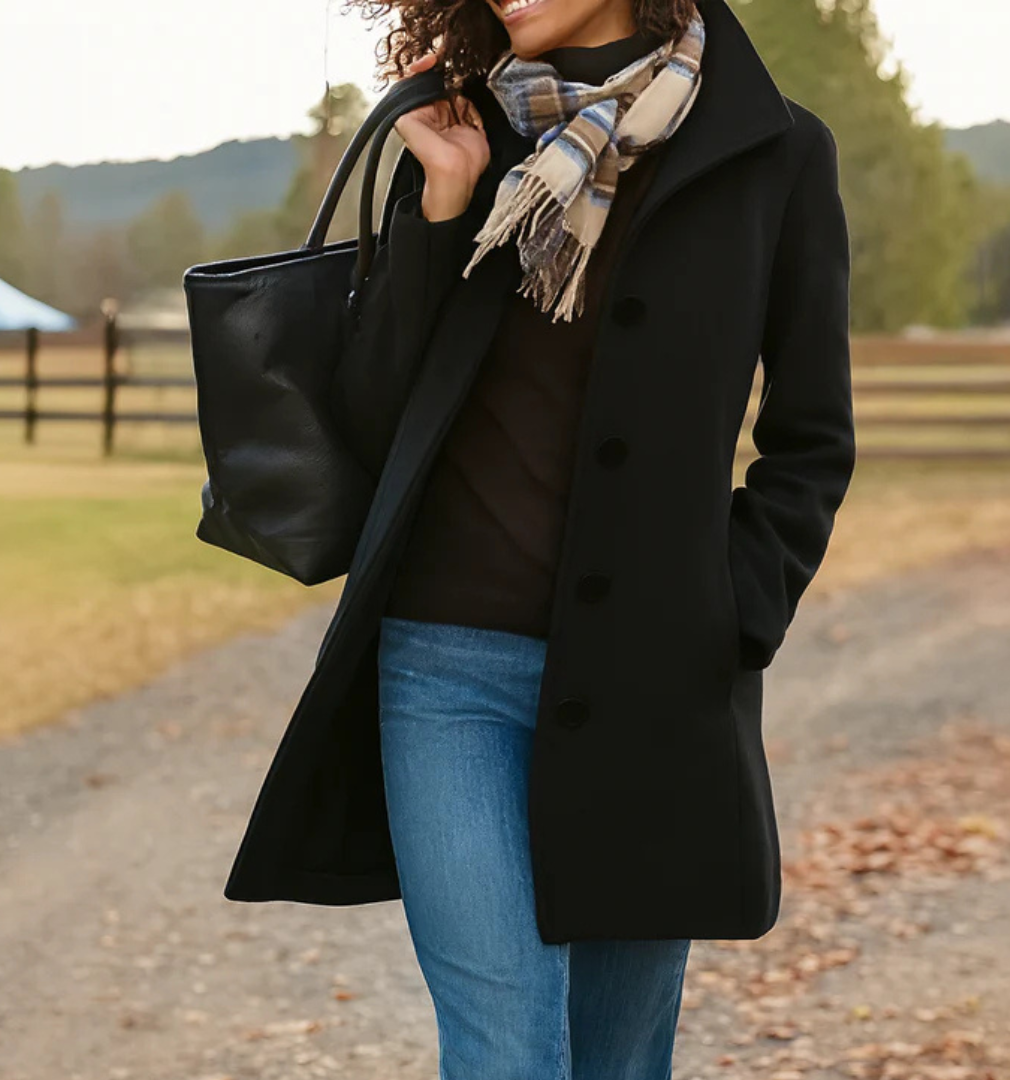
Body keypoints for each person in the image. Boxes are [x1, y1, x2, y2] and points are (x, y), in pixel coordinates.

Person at [225, 0, 856, 1076]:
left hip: (655, 686)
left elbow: (811, 441)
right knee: (506, 1048)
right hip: (447, 671)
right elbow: (373, 421)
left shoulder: (776, 152)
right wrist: (445, 206)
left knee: (616, 1058)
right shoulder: (464, 132)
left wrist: (731, 610)